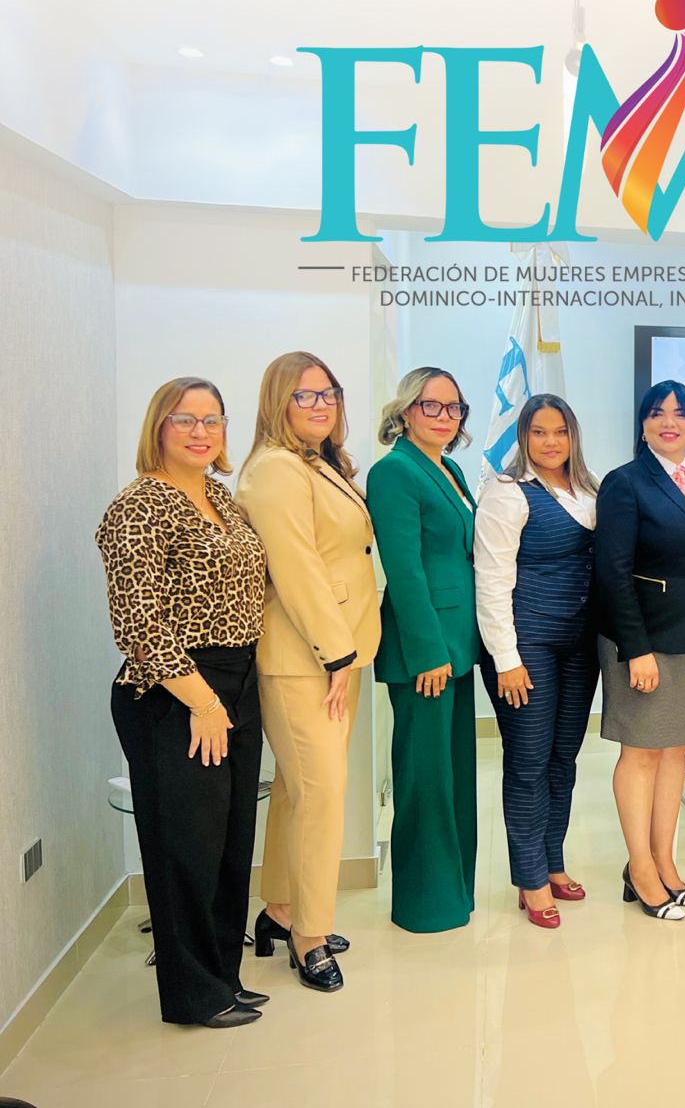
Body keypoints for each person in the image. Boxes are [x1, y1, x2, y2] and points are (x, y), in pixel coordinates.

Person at [96, 378, 270, 1028]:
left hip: (237, 683)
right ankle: (194, 995)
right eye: (184, 420)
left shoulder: (221, 498)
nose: (201, 432)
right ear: (158, 428)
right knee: (186, 848)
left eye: (212, 420)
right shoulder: (138, 505)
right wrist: (201, 701)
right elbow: (138, 621)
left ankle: (223, 976)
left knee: (229, 842)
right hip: (174, 694)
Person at [237, 352, 377, 991]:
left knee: (298, 792)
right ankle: (310, 935)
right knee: (322, 796)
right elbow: (295, 568)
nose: (321, 405)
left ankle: (281, 908)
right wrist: (336, 654)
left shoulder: (318, 463)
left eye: (329, 394)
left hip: (335, 651)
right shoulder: (275, 470)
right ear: (278, 403)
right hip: (306, 659)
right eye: (305, 396)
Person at [595, 381, 685, 921]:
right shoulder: (625, 482)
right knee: (642, 753)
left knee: (676, 751)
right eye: (656, 413)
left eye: (680, 414)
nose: (668, 422)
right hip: (643, 640)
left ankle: (665, 862)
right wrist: (636, 649)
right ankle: (640, 868)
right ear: (643, 425)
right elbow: (612, 571)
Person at [474, 394, 600, 929]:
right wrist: (506, 658)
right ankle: (530, 880)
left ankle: (552, 863)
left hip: (580, 646)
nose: (551, 442)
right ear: (523, 437)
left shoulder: (590, 491)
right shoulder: (507, 493)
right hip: (525, 648)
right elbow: (491, 580)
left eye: (560, 431)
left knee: (563, 759)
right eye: (539, 432)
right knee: (528, 763)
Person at [367, 367, 480, 933]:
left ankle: (455, 892)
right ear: (406, 411)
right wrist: (427, 651)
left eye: (453, 407)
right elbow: (403, 569)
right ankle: (423, 904)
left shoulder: (449, 468)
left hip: (458, 644)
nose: (443, 416)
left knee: (455, 775)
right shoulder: (393, 471)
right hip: (426, 653)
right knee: (423, 779)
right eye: (430, 406)